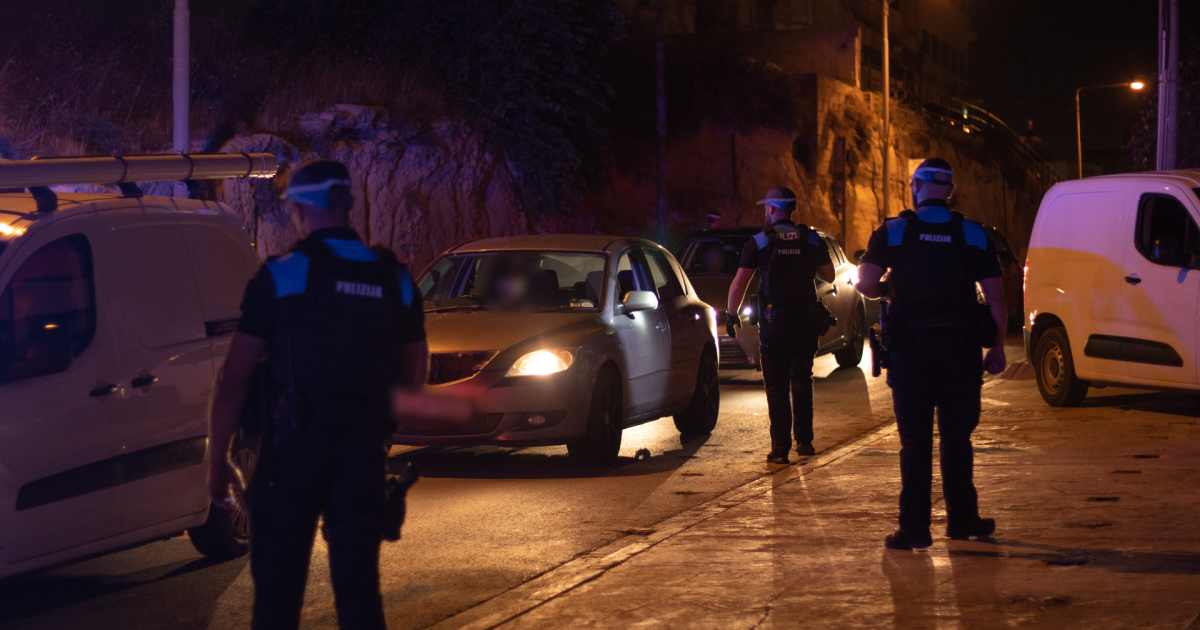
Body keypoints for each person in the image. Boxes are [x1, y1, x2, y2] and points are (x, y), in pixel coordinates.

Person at [206, 159, 429, 629]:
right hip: (362, 457)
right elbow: (413, 376)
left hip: (290, 456)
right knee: (360, 601)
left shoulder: (283, 276)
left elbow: (233, 377)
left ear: (298, 209)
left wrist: (217, 458)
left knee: (276, 605)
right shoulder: (398, 281)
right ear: (347, 206)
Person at [854, 157, 1007, 551]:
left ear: (914, 187)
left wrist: (887, 289)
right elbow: (995, 297)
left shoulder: (894, 230)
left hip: (911, 351)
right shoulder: (973, 233)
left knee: (916, 441)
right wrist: (999, 346)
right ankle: (963, 520)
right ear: (951, 191)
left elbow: (864, 282)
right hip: (960, 350)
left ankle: (914, 529)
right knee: (958, 438)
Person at [727, 186, 835, 464]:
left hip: (775, 324)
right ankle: (805, 442)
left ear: (774, 209)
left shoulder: (761, 241)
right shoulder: (810, 239)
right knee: (802, 379)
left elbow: (740, 283)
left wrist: (731, 314)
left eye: (766, 207)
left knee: (776, 385)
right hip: (805, 321)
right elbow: (829, 276)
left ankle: (780, 449)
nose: (764, 212)